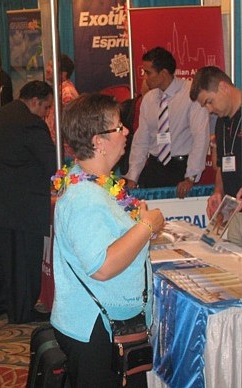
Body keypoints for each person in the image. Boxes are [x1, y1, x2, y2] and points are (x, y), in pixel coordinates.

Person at [52, 93, 164, 387]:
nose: (126, 131)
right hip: (95, 327)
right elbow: (102, 266)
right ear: (97, 141)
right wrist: (145, 226)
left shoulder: (96, 182)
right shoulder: (83, 197)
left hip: (110, 323)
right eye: (118, 127)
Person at [0, 80, 56, 324]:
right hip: (17, 204)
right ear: (35, 102)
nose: (47, 113)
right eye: (46, 107)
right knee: (22, 259)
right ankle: (22, 310)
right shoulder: (31, 123)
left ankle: (1, 304)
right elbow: (51, 164)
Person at [125, 47, 210, 198]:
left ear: (163, 73)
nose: (145, 77)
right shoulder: (149, 99)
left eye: (148, 72)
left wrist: (190, 177)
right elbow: (141, 141)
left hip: (181, 168)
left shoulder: (191, 93)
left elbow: (200, 137)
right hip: (154, 168)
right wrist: (133, 176)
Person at [190, 66, 242, 246]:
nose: (209, 109)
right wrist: (218, 192)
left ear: (223, 87)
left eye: (209, 102)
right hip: (235, 215)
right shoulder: (221, 123)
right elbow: (222, 165)